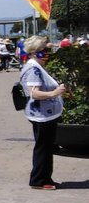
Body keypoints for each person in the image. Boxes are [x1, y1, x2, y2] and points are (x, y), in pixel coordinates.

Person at [19, 36, 67, 190]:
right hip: (41, 115)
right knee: (43, 148)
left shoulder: (37, 66)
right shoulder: (33, 68)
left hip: (46, 114)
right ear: (34, 52)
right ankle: (39, 180)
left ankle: (45, 177)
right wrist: (55, 92)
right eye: (44, 50)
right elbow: (35, 93)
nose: (47, 53)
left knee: (46, 147)